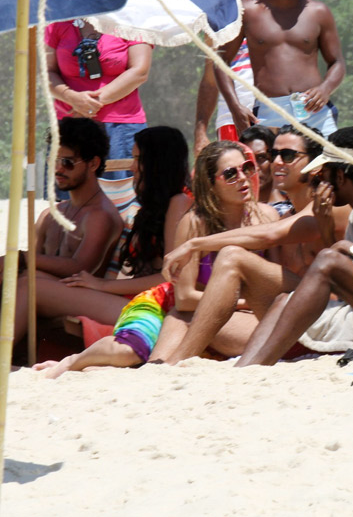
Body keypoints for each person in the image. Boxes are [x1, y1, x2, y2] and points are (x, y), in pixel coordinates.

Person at [34, 140, 277, 377]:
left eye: (247, 168)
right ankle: (73, 361)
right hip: (167, 303)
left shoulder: (267, 218)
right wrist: (244, 301)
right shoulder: (194, 224)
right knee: (127, 352)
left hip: (214, 312)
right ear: (211, 183)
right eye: (230, 173)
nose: (243, 177)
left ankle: (126, 369)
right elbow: (183, 298)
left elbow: (272, 282)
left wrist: (243, 303)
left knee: (156, 363)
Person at [156, 128, 353, 364]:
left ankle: (173, 364)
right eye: (274, 154)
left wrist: (194, 244)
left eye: (288, 155)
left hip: (322, 316)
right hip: (282, 310)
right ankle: (161, 367)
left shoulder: (324, 207)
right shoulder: (290, 216)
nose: (275, 162)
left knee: (229, 260)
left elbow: (268, 236)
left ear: (315, 164)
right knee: (182, 313)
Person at [237, 126, 353, 366]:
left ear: (340, 177)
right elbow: (345, 273)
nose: (318, 183)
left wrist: (351, 249)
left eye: (323, 175)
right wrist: (326, 226)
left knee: (329, 259)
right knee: (283, 301)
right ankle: (246, 367)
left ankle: (260, 363)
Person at [28, 126, 191, 373]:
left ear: (158, 162)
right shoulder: (150, 206)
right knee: (28, 282)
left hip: (155, 301)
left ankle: (65, 362)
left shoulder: (179, 203)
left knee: (31, 287)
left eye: (138, 159)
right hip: (133, 297)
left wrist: (101, 285)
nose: (132, 167)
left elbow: (168, 277)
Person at [214, 0, 345, 138]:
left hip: (316, 113)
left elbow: (337, 62)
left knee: (329, 166)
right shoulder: (247, 11)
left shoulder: (318, 12)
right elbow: (221, 61)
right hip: (268, 115)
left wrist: (325, 88)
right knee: (274, 167)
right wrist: (235, 107)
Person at [2, 118, 123, 286]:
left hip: (79, 301)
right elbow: (28, 265)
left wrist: (22, 258)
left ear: (93, 164)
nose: (58, 169)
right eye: (53, 161)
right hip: (40, 297)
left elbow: (81, 270)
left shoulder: (100, 216)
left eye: (67, 162)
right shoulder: (49, 216)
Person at [45, 18, 152, 180]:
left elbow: (140, 71)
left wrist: (89, 104)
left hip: (121, 128)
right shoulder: (58, 23)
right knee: (69, 200)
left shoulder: (133, 20)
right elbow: (47, 72)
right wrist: (71, 97)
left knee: (122, 196)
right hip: (70, 126)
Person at [193, 0, 259, 154]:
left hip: (272, 112)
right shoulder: (215, 22)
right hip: (231, 117)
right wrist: (200, 130)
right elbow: (210, 80)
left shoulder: (271, 12)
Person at [238, 124, 286, 206]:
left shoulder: (289, 210)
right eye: (248, 159)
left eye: (261, 158)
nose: (255, 168)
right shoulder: (234, 211)